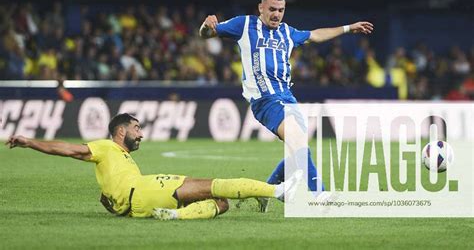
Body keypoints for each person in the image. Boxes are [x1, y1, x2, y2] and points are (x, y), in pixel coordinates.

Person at [199, 0, 373, 211]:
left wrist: (349, 28)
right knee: (298, 141)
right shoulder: (244, 25)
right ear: (261, 7)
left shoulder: (287, 32)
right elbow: (208, 34)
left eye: (281, 10)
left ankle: (267, 190)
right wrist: (206, 26)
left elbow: (316, 34)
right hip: (265, 100)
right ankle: (319, 193)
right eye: (272, 9)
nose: (276, 14)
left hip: (288, 99)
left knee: (299, 149)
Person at [4, 113, 299, 220]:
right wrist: (30, 141)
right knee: (213, 184)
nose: (141, 134)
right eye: (137, 128)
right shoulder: (106, 147)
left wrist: (112, 201)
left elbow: (107, 200)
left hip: (139, 205)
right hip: (144, 189)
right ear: (121, 131)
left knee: (220, 203)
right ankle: (278, 190)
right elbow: (68, 149)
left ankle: (174, 215)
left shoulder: (119, 159)